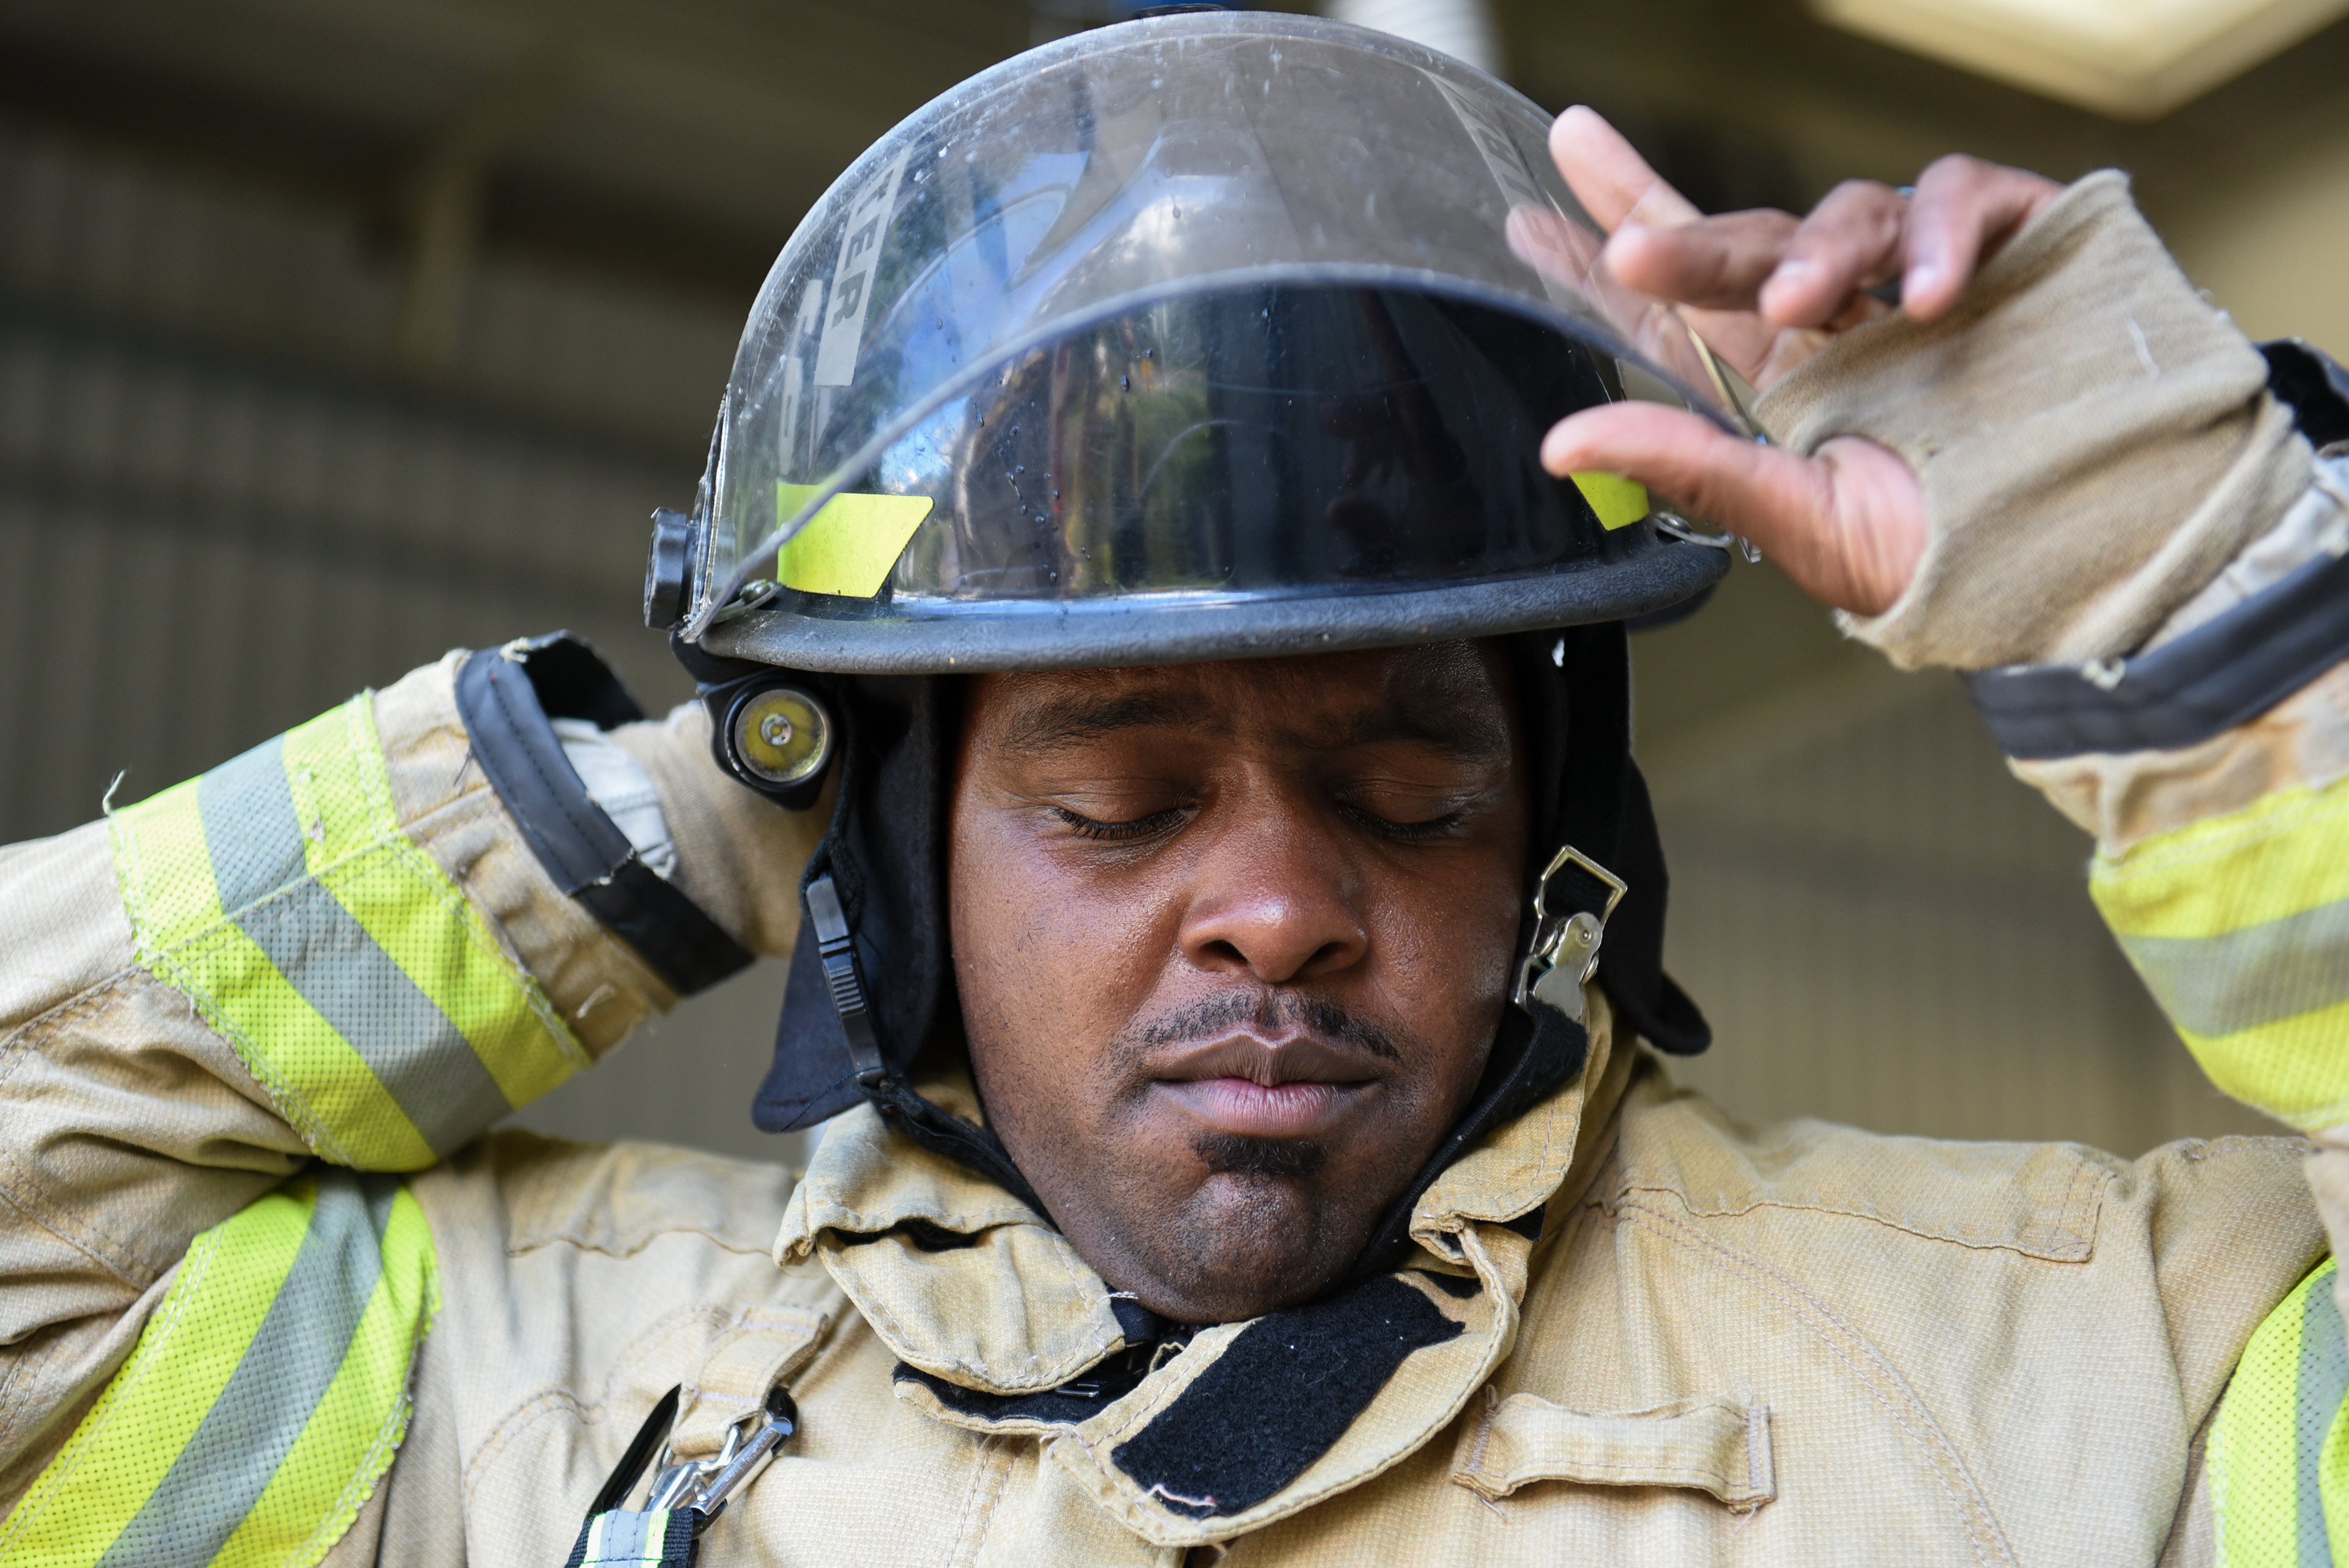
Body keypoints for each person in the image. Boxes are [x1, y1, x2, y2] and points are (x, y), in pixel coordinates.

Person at [4, 10, 2347, 1565]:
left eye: (1409, 788)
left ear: (1550, 823)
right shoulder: (517, 1398)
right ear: (903, 853)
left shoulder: (2089, 1365)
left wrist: (2182, 565)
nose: (1276, 908)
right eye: (1117, 802)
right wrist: (679, 816)